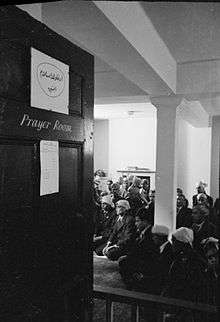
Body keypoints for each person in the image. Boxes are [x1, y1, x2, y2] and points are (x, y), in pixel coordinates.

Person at [162, 227, 206, 321]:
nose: (173, 244)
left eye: (175, 241)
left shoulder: (192, 260)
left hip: (184, 304)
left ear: (181, 243)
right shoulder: (178, 258)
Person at [118, 208, 157, 291]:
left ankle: (134, 287)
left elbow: (145, 253)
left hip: (145, 263)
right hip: (140, 258)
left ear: (145, 222)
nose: (135, 224)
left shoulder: (151, 234)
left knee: (124, 262)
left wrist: (129, 257)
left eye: (137, 221)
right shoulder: (142, 231)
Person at [151, 224, 173, 294]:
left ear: (159, 237)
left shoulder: (169, 251)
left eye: (154, 236)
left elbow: (161, 272)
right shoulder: (160, 248)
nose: (153, 238)